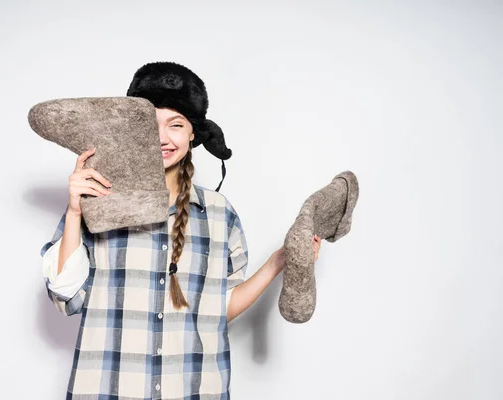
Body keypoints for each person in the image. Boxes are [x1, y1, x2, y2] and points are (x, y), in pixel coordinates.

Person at [40, 61, 322, 399]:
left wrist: (280, 260)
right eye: (149, 123)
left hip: (194, 389)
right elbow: (66, 298)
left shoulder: (220, 214)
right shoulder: (97, 201)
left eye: (176, 124)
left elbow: (220, 310)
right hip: (108, 388)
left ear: (193, 133)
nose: (162, 137)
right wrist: (75, 212)